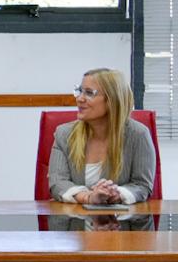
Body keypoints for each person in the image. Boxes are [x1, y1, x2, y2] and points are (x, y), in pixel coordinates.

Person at [48, 68, 154, 207]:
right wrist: (88, 197)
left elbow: (142, 185)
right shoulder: (64, 134)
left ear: (112, 100)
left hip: (121, 219)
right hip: (74, 218)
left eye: (89, 93)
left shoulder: (138, 135)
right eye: (80, 91)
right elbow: (58, 182)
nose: (79, 98)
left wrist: (116, 194)